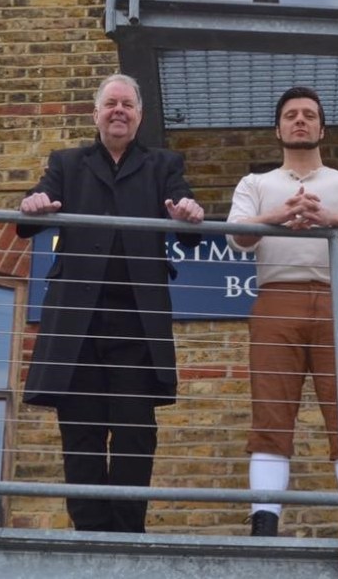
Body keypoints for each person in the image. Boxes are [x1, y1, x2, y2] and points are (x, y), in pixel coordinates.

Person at [17, 73, 204, 533]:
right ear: (96, 113)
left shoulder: (163, 164)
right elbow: (26, 220)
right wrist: (34, 204)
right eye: (110, 104)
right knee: (80, 432)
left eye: (127, 105)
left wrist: (189, 214)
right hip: (77, 325)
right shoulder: (67, 162)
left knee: (135, 433)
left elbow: (190, 223)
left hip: (136, 327)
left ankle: (128, 533)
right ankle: (89, 533)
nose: (118, 111)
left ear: (139, 116)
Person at [226, 86, 338, 540]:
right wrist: (280, 215)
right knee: (270, 413)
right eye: (290, 115)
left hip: (336, 301)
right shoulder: (255, 183)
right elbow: (238, 238)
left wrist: (328, 217)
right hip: (276, 300)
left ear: (322, 127)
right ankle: (264, 522)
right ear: (278, 128)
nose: (299, 121)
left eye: (308, 115)